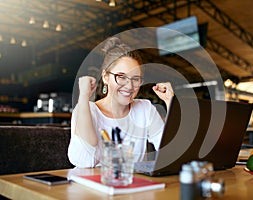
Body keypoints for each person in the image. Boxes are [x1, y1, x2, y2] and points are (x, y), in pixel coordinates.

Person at [68, 37, 174, 168]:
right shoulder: (86, 109)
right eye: (121, 77)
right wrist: (84, 96)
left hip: (131, 185)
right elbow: (85, 161)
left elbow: (171, 152)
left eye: (135, 79)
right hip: (90, 186)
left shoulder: (144, 109)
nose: (129, 86)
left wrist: (170, 103)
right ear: (105, 76)